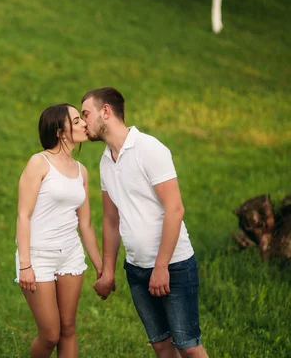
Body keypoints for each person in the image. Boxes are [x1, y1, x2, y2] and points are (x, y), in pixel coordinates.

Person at [80, 87, 209, 358]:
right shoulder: (105, 161)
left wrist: (161, 266)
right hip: (137, 270)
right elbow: (111, 220)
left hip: (173, 266)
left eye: (86, 114)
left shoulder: (149, 149)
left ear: (106, 111)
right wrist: (109, 272)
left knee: (189, 347)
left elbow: (175, 209)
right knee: (161, 345)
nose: (83, 122)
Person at [15, 103, 103, 358]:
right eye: (76, 121)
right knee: (50, 334)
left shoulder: (81, 171)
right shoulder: (38, 163)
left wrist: (100, 266)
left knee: (68, 328)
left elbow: (85, 223)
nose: (84, 124)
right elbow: (23, 215)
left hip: (70, 256)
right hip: (38, 255)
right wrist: (25, 265)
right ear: (59, 131)